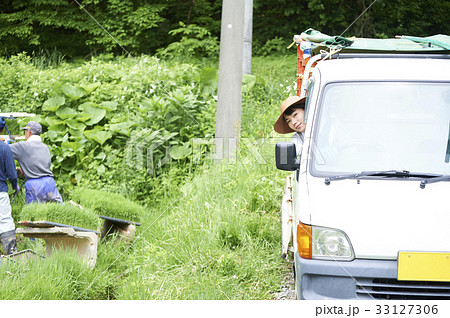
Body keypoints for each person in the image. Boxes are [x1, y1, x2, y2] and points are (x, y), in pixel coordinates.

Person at [10, 121, 63, 204]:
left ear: (28, 132)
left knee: (34, 213)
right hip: (49, 182)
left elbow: (4, 150)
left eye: (25, 131)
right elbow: (46, 164)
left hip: (34, 184)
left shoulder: (22, 146)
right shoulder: (45, 147)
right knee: (58, 210)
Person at [0, 118, 19, 254]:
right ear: (2, 130)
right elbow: (12, 173)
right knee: (5, 221)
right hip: (0, 192)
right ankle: (11, 255)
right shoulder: (5, 148)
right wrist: (14, 185)